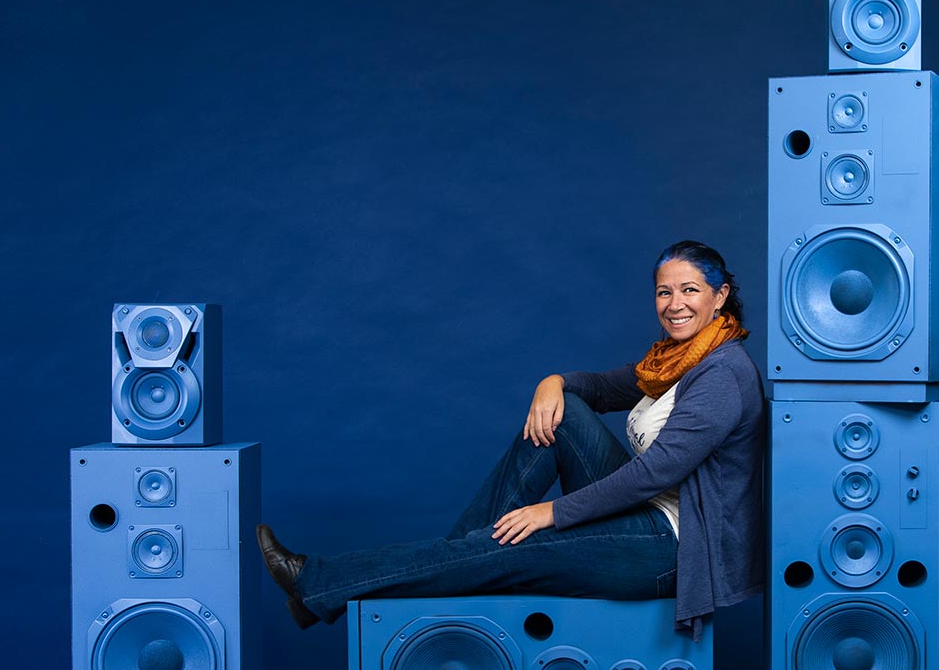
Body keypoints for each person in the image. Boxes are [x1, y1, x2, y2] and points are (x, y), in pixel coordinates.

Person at [257, 240, 764, 637]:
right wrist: (552, 382)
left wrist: (553, 512)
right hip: (646, 513)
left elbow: (658, 472)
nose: (674, 304)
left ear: (719, 297)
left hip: (673, 549)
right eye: (664, 291)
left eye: (690, 290)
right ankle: (457, 564)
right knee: (561, 418)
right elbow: (599, 387)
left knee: (518, 543)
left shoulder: (721, 374)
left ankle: (316, 583)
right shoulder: (674, 361)